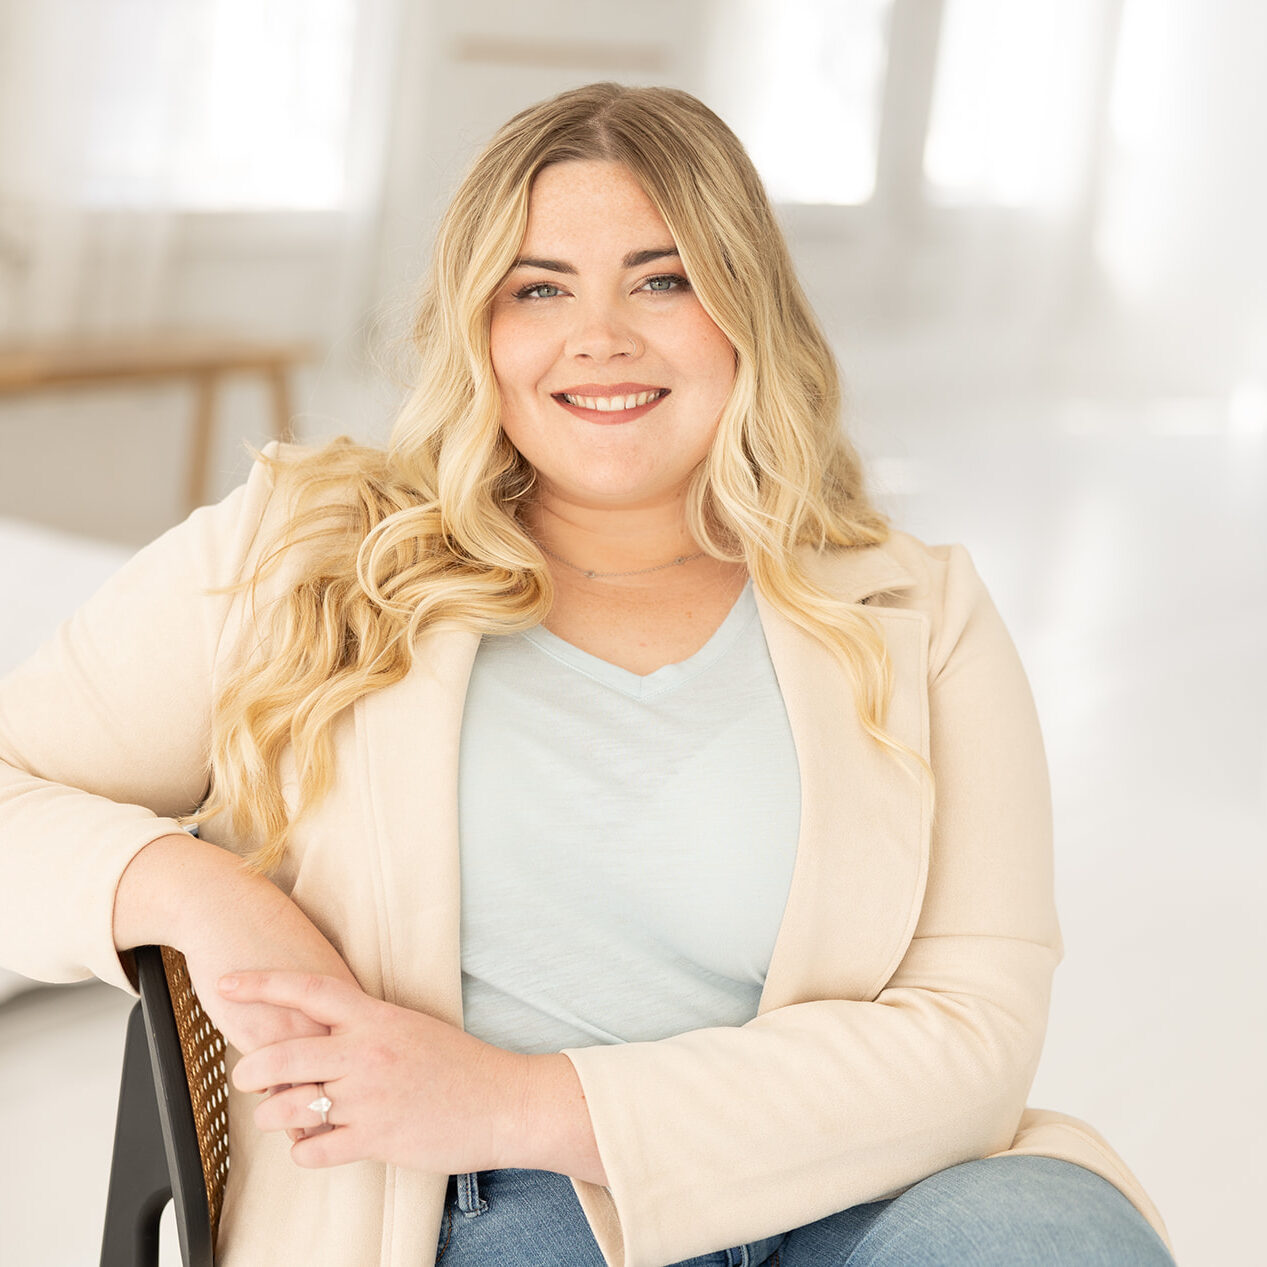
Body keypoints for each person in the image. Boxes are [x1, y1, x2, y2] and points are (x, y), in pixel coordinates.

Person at [0, 82, 1175, 1267]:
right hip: (477, 1209)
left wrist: (516, 1098)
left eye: (661, 280)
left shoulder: (920, 614)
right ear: (481, 327)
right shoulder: (303, 549)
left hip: (844, 1183)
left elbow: (974, 1034)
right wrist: (203, 894)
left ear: (745, 312)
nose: (599, 337)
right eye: (539, 287)